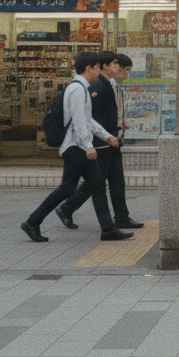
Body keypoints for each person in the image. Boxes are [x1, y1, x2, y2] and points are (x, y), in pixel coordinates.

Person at [21, 52, 133, 243]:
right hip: (76, 147)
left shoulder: (82, 88)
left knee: (96, 185)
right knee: (69, 188)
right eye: (98, 67)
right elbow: (80, 122)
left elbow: (88, 120)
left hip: (78, 146)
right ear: (89, 68)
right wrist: (88, 146)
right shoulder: (77, 89)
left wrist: (107, 136)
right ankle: (33, 221)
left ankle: (108, 229)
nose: (100, 70)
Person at [56, 52, 143, 230]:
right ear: (104, 66)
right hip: (101, 143)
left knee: (116, 180)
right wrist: (98, 139)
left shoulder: (109, 85)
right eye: (116, 65)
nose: (119, 70)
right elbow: (88, 117)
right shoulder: (96, 86)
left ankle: (121, 217)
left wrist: (116, 130)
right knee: (96, 181)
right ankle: (67, 207)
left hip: (111, 140)